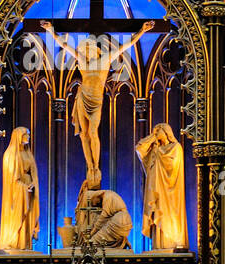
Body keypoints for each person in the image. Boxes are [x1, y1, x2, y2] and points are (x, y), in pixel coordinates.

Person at [41, 19, 155, 175]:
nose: (87, 51)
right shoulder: (82, 60)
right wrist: (51, 31)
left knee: (93, 132)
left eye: (89, 48)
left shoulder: (105, 59)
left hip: (95, 101)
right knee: (83, 135)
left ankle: (96, 166)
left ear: (96, 50)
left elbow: (126, 46)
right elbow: (64, 46)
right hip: (82, 97)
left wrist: (142, 31)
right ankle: (90, 166)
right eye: (85, 49)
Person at [136, 123, 187, 249]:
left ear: (166, 132)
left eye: (158, 131)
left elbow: (172, 168)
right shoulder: (155, 150)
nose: (156, 134)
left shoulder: (175, 148)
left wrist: (160, 156)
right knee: (157, 213)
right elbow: (139, 149)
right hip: (157, 191)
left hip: (171, 193)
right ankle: (159, 245)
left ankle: (172, 242)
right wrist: (152, 137)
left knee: (168, 218)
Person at [0, 127, 40, 252]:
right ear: (18, 137)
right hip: (18, 191)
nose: (28, 137)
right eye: (25, 135)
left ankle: (26, 244)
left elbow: (34, 173)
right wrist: (23, 187)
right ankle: (15, 243)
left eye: (28, 135)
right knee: (19, 215)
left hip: (29, 190)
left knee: (28, 216)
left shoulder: (28, 153)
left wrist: (33, 183)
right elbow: (11, 179)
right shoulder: (10, 154)